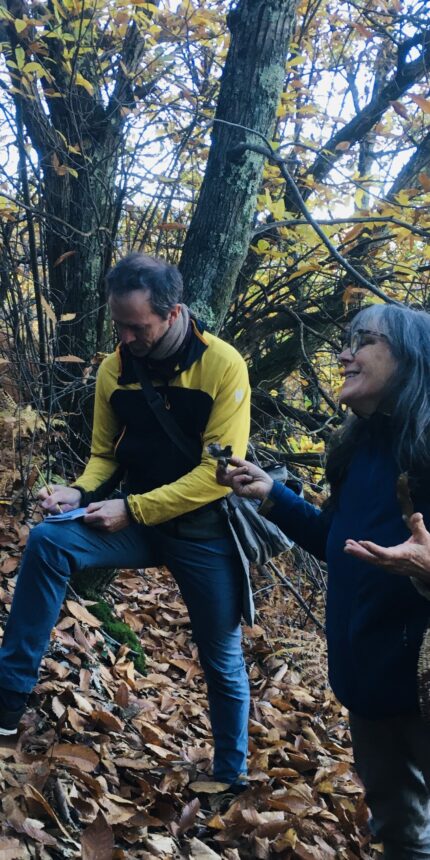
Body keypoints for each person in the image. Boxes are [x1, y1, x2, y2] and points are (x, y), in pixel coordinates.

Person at [0, 253, 251, 788]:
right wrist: (78, 491)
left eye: (138, 327)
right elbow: (104, 456)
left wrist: (132, 508)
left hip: (202, 533)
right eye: (119, 325)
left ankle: (231, 776)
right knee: (49, 541)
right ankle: (8, 697)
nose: (126, 338)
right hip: (134, 523)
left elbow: (218, 475)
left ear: (173, 313)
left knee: (222, 658)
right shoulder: (114, 369)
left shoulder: (223, 365)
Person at [217, 303, 430, 859]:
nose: (343, 355)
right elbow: (341, 547)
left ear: (411, 359)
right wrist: (273, 495)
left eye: (363, 341)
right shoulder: (358, 449)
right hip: (371, 686)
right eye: (345, 341)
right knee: (400, 833)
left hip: (423, 689)